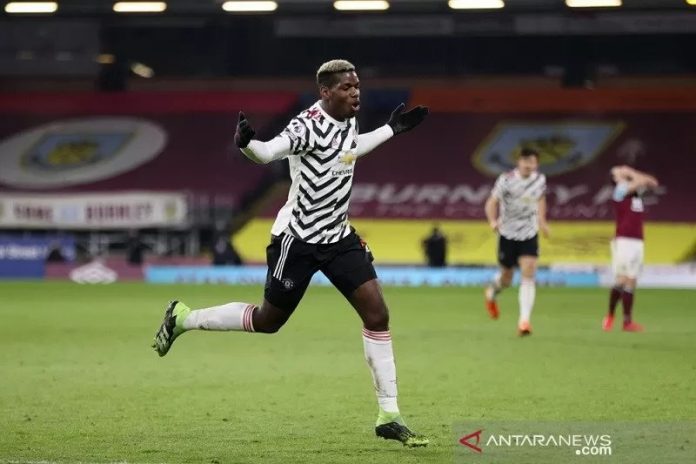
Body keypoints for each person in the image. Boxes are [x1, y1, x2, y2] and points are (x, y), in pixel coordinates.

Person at [151, 59, 429, 447]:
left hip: (338, 238)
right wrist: (247, 143)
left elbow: (350, 149)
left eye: (357, 86)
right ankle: (184, 318)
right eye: (347, 88)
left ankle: (389, 414)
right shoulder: (305, 126)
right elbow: (267, 153)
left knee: (377, 313)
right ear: (325, 92)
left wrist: (390, 130)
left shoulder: (348, 119)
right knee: (268, 320)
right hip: (296, 241)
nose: (356, 93)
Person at [483, 148, 550, 336]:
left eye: (533, 162)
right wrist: (492, 221)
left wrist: (542, 221)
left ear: (536, 164)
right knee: (507, 278)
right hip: (507, 234)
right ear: (519, 162)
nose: (529, 165)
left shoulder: (540, 180)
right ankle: (491, 293)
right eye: (526, 161)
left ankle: (524, 321)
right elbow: (491, 202)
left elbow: (541, 199)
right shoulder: (506, 180)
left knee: (529, 272)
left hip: (529, 233)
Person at [602, 165, 659, 332]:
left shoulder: (636, 195)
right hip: (624, 241)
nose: (621, 170)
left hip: (638, 241)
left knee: (632, 280)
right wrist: (630, 172)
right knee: (622, 279)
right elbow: (640, 181)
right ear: (615, 179)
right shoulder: (619, 192)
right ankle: (610, 315)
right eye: (617, 171)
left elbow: (653, 182)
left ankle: (627, 322)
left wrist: (629, 171)